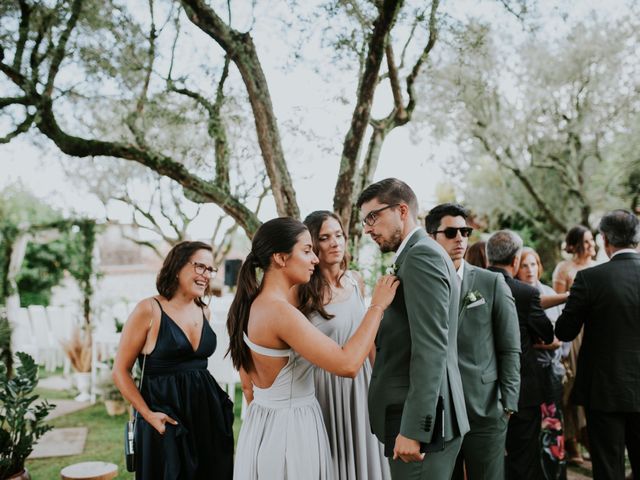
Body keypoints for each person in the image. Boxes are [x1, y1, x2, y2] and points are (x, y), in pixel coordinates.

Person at [227, 217, 398, 479]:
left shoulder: (254, 303)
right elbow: (348, 364)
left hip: (264, 423)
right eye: (307, 251)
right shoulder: (280, 312)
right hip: (291, 432)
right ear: (281, 258)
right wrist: (376, 307)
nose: (315, 259)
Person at [356, 179, 469, 479]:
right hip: (419, 415)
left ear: (402, 210)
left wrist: (414, 429)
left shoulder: (421, 256)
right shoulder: (416, 254)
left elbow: (431, 348)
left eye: (372, 217)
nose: (367, 228)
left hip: (422, 426)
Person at [112, 241, 234, 480]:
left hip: (206, 413)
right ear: (178, 267)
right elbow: (120, 371)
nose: (206, 275)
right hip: (165, 417)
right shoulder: (149, 309)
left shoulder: (204, 311)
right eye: (200, 267)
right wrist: (148, 414)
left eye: (211, 270)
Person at [426, 203, 521, 480]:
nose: (460, 238)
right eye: (451, 232)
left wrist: (508, 403)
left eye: (465, 231)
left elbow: (510, 347)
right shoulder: (419, 285)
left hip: (486, 408)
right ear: (432, 237)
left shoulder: (491, 283)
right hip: (438, 410)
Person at [298, 210, 390, 479]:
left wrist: (379, 382)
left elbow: (367, 334)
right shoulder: (302, 291)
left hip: (362, 381)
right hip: (324, 385)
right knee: (335, 459)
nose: (335, 242)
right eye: (325, 237)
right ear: (313, 245)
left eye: (339, 235)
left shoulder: (355, 281)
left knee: (366, 451)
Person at [555, 209, 640, 479]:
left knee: (607, 468)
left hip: (603, 389)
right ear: (636, 238)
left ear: (604, 240)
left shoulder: (591, 279)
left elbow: (565, 331)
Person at [486, 230, 554, 480]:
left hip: (480, 391)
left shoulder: (469, 287)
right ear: (515, 261)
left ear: (487, 258)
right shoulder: (526, 293)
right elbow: (547, 334)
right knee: (523, 458)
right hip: (523, 390)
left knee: (484, 460)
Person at [517, 247, 568, 480]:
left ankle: (554, 474)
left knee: (552, 427)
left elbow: (558, 340)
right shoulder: (515, 295)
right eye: (525, 265)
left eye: (533, 264)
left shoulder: (548, 293)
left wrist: (534, 341)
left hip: (549, 373)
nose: (530, 270)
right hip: (526, 375)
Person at [552, 225, 596, 464]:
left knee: (590, 386)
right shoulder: (564, 268)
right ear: (576, 244)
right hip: (572, 336)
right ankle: (571, 443)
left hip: (594, 333)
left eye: (592, 241)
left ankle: (588, 439)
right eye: (587, 241)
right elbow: (559, 308)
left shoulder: (598, 266)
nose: (591, 245)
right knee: (571, 386)